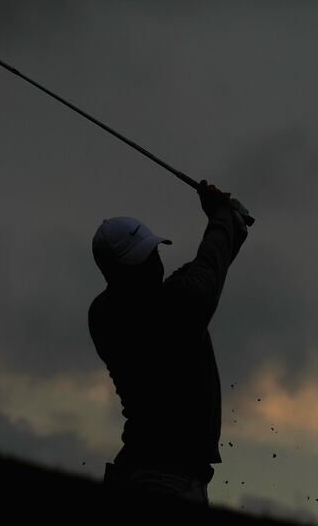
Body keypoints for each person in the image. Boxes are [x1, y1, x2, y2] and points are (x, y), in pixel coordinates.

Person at [88, 180, 248, 509]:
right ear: (126, 271)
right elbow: (203, 282)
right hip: (163, 481)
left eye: (154, 252)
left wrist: (229, 224)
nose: (155, 260)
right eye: (147, 256)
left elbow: (210, 268)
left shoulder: (104, 314)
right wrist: (220, 215)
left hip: (146, 472)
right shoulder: (172, 307)